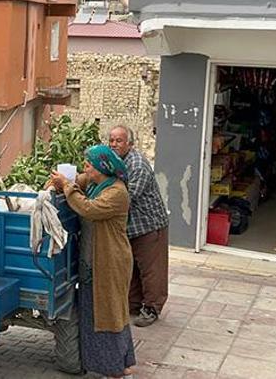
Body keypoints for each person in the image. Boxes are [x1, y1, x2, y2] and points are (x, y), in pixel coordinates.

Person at [50, 145, 136, 379]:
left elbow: (88, 209)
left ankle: (115, 370)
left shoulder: (117, 193)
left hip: (110, 262)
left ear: (102, 167)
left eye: (89, 164)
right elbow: (76, 180)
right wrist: (58, 182)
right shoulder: (97, 183)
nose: (85, 167)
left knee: (108, 314)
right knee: (97, 312)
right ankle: (123, 363)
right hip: (93, 261)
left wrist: (67, 187)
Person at [109, 125, 169, 327]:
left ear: (130, 144)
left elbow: (127, 197)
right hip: (132, 227)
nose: (114, 144)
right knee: (132, 267)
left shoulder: (138, 165)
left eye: (119, 140)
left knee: (152, 270)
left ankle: (152, 308)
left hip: (149, 225)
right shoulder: (116, 161)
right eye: (112, 140)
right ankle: (133, 304)